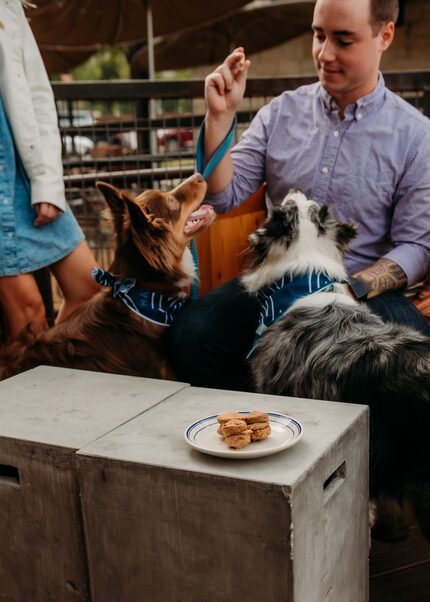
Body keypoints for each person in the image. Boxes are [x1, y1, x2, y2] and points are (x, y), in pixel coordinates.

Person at [168, 0, 430, 391]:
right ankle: (264, 422)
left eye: (343, 40)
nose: (325, 54)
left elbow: (416, 246)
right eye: (318, 35)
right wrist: (220, 117)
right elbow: (225, 195)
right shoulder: (281, 112)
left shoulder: (416, 135)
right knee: (192, 334)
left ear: (385, 36)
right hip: (274, 281)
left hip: (361, 292)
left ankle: (340, 446)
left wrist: (353, 288)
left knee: (406, 369)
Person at [0, 0, 100, 342]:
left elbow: (37, 94)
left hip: (21, 170)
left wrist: (46, 181)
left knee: (91, 289)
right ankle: (36, 389)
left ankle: (55, 374)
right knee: (28, 316)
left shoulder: (7, 7)